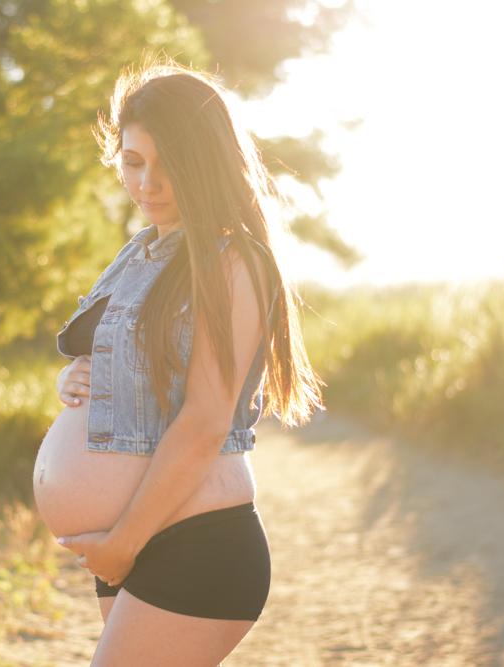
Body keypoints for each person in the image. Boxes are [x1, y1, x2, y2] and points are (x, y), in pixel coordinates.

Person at [53, 58, 325, 665]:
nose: (148, 182)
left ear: (205, 161)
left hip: (193, 542)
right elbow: (133, 375)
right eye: (133, 162)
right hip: (138, 534)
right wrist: (74, 380)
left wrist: (123, 543)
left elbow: (205, 421)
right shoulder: (142, 252)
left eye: (169, 163)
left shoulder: (233, 260)